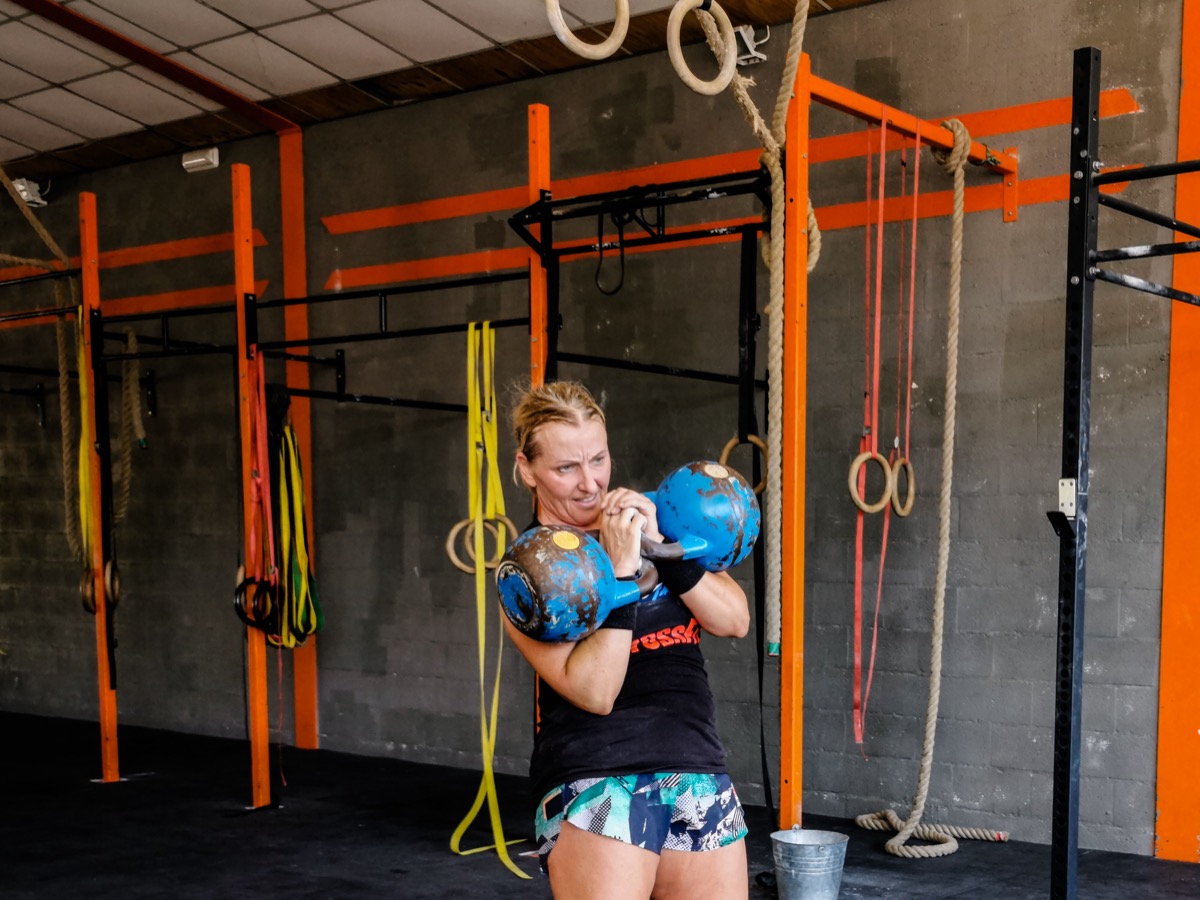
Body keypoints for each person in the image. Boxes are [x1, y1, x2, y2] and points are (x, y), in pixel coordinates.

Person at [502, 380, 751, 899]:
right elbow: (597, 690)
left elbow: (734, 620)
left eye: (598, 459)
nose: (590, 483)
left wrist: (660, 549)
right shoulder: (532, 575)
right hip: (599, 778)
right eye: (566, 468)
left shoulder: (654, 524)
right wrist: (619, 571)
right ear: (527, 468)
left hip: (696, 768)